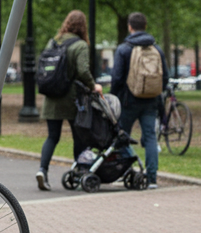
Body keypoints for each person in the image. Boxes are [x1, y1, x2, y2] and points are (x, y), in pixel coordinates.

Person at [36, 10, 103, 191]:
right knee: (79, 136)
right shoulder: (80, 45)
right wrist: (93, 86)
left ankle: (42, 170)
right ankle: (79, 171)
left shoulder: (53, 41)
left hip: (51, 96)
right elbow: (83, 70)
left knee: (52, 136)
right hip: (72, 98)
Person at [110, 11, 169, 189]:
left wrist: (114, 97)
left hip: (128, 101)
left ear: (130, 27)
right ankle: (152, 178)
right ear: (145, 26)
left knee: (122, 137)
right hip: (151, 100)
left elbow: (117, 78)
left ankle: (128, 171)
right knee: (150, 137)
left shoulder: (124, 49)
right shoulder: (156, 49)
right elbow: (165, 77)